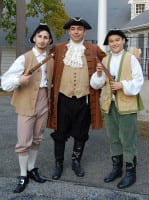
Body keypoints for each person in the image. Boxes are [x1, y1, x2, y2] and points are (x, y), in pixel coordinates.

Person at [47, 17, 106, 180]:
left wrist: (131, 59)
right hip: (63, 98)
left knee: (81, 133)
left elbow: (110, 62)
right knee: (59, 133)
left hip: (84, 99)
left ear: (84, 32)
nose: (76, 32)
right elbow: (44, 64)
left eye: (79, 29)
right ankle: (58, 164)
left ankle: (75, 162)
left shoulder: (94, 49)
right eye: (73, 29)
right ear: (68, 31)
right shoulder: (58, 49)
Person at [1, 23, 54, 193]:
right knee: (24, 141)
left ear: (49, 40)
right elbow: (5, 82)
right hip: (25, 101)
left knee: (37, 138)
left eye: (46, 37)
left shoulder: (51, 59)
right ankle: (23, 174)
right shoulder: (24, 58)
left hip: (44, 100)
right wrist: (18, 81)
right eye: (39, 36)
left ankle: (31, 169)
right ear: (34, 38)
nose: (42, 40)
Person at [90, 29, 144, 189]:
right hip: (110, 105)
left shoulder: (131, 59)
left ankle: (130, 173)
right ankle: (116, 169)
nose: (114, 43)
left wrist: (123, 85)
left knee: (127, 140)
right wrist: (99, 74)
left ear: (123, 41)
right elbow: (96, 84)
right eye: (111, 41)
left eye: (117, 40)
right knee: (114, 139)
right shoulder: (105, 61)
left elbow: (139, 81)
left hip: (127, 106)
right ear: (109, 43)